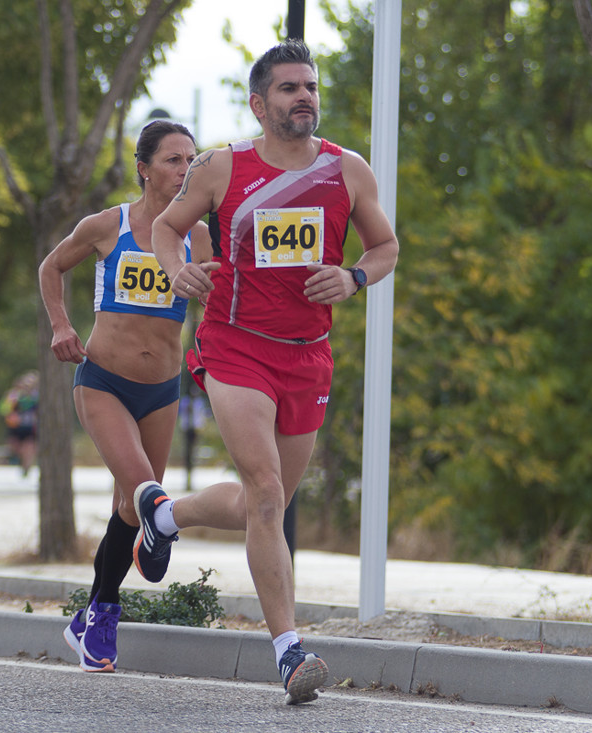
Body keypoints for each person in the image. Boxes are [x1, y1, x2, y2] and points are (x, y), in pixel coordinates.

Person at [139, 40, 400, 704]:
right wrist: (177, 271)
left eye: (309, 85)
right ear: (260, 104)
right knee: (263, 490)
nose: (303, 96)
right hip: (234, 347)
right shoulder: (221, 168)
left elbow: (386, 245)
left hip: (307, 353)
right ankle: (289, 651)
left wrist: (352, 275)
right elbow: (167, 229)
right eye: (287, 88)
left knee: (271, 501)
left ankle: (165, 517)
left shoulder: (349, 170)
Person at [38, 119, 224, 673]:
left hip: (162, 391)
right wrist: (60, 326)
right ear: (143, 168)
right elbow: (51, 266)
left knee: (129, 506)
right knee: (146, 493)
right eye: (172, 159)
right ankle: (109, 611)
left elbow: (213, 303)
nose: (184, 169)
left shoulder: (198, 235)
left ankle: (91, 613)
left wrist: (209, 358)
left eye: (191, 159)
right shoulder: (105, 226)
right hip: (103, 382)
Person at [0, 370, 39, 477]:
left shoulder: (37, 396)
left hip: (30, 426)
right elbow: (3, 409)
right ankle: (18, 460)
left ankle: (26, 468)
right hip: (16, 426)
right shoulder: (13, 395)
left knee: (28, 448)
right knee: (14, 447)